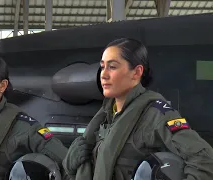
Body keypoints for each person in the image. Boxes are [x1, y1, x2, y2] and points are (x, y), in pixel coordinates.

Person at [62, 38, 213, 180]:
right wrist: (70, 165)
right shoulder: (106, 116)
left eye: (112, 67)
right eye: (103, 67)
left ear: (136, 72)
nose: (104, 75)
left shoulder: (155, 115)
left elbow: (204, 160)